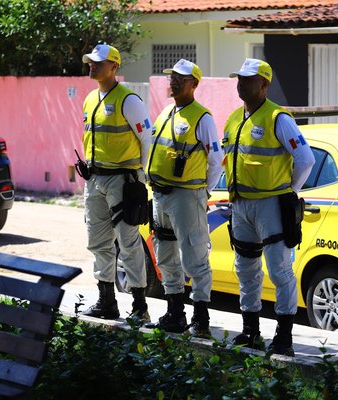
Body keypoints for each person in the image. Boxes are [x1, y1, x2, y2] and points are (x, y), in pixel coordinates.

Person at [223, 58, 315, 356]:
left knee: (279, 271)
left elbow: (306, 159)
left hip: (271, 206)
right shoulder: (235, 118)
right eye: (239, 78)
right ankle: (250, 331)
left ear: (264, 85)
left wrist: (289, 192)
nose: (240, 83)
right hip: (241, 205)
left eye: (247, 80)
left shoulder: (278, 118)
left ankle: (284, 337)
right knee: (245, 269)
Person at [144, 59, 223, 338]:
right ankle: (174, 313)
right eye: (172, 77)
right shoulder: (166, 112)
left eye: (181, 78)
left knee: (195, 257)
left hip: (187, 197)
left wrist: (203, 192)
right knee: (165, 255)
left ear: (194, 85)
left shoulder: (202, 117)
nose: (174, 81)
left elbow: (216, 160)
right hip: (161, 195)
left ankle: (200, 319)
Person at [79, 43, 152, 322]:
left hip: (123, 181)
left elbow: (147, 140)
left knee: (128, 241)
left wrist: (140, 176)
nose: (92, 65)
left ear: (114, 66)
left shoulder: (128, 100)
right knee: (98, 242)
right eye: (90, 62)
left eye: (97, 62)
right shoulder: (89, 99)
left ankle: (139, 306)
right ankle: (107, 301)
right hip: (95, 179)